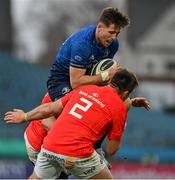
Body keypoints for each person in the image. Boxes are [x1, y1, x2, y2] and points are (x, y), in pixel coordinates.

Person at [22, 7, 131, 177]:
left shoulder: (112, 45)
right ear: (99, 27)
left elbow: (98, 75)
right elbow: (76, 82)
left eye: (117, 33)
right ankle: (89, 148)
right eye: (111, 32)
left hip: (57, 145)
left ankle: (92, 149)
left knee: (104, 109)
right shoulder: (83, 44)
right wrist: (104, 76)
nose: (114, 37)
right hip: (62, 82)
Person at [5, 69, 148, 179]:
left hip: (49, 146)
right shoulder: (119, 108)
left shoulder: (84, 89)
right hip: (76, 152)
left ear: (110, 79)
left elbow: (49, 108)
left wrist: (24, 116)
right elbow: (111, 150)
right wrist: (121, 126)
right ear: (126, 93)